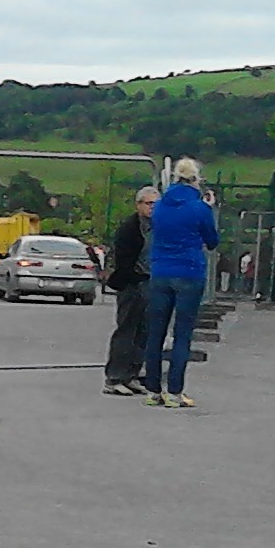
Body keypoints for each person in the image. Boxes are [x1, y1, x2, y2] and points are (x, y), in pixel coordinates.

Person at [141, 158, 219, 408]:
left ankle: (153, 390)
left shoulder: (161, 206)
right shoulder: (199, 208)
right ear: (196, 180)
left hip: (161, 270)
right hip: (189, 272)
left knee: (156, 332)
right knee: (182, 334)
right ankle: (175, 391)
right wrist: (210, 209)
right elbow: (212, 241)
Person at [102, 186, 158, 394]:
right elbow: (123, 259)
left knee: (145, 331)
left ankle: (132, 374)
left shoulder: (158, 227)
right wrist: (132, 278)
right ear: (139, 205)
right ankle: (115, 377)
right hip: (132, 283)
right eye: (148, 203)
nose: (152, 207)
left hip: (151, 283)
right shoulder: (130, 228)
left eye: (155, 203)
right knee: (126, 329)